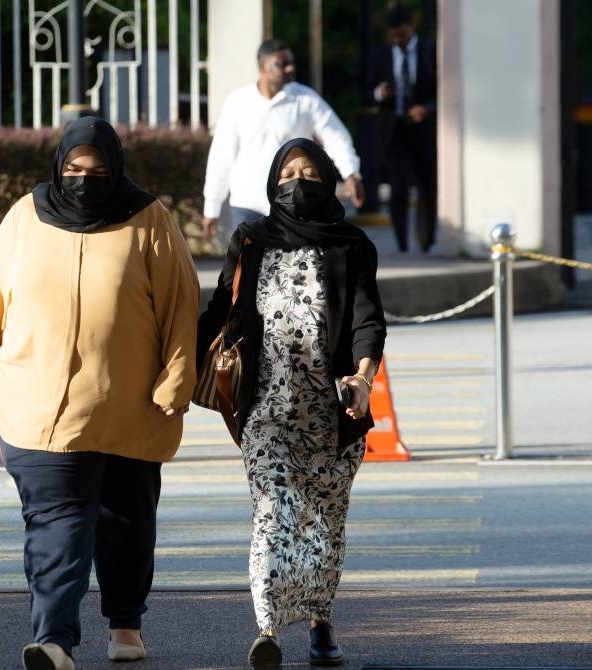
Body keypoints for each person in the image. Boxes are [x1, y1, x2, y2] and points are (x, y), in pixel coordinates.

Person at [0, 117, 200, 670]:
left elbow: (180, 305)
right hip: (40, 406)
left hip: (131, 406)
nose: (84, 179)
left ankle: (125, 624)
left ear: (115, 168)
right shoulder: (26, 216)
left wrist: (177, 378)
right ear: (58, 166)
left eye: (95, 170)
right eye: (73, 169)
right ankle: (53, 641)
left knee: (126, 522)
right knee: (56, 526)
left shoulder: (148, 220)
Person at [197, 138, 387, 669]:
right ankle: (268, 628)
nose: (296, 183)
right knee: (273, 510)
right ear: (272, 182)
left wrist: (363, 379)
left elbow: (369, 321)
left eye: (307, 173)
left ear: (327, 180)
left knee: (324, 520)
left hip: (333, 413)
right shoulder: (252, 239)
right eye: (286, 173)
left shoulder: (350, 245)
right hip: (267, 409)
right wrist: (174, 366)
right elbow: (220, 310)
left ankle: (321, 624)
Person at [201, 38, 366, 246]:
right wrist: (211, 208)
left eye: (291, 63)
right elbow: (221, 156)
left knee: (294, 273)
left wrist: (351, 172)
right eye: (282, 64)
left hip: (294, 205)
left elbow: (335, 136)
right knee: (247, 273)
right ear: (263, 67)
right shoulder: (238, 102)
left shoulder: (305, 99)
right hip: (247, 204)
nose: (290, 68)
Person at [369, 2, 437, 253]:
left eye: (402, 33)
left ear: (411, 28)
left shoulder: (430, 52)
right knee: (397, 188)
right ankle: (402, 244)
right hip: (394, 129)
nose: (397, 39)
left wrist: (427, 108)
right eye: (393, 35)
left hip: (424, 129)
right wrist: (380, 92)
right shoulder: (382, 55)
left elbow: (444, 89)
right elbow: (368, 91)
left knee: (426, 186)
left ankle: (425, 241)